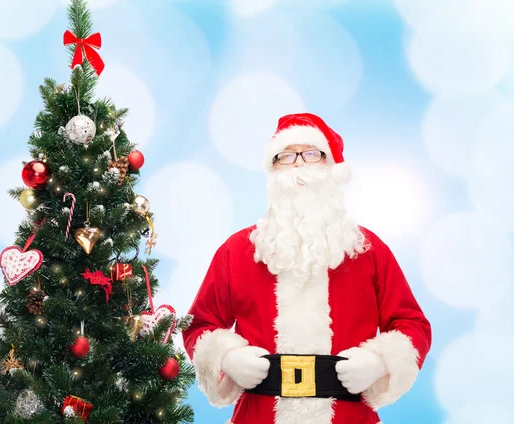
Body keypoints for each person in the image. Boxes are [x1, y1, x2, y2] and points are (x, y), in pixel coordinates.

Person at [182, 113, 432, 424]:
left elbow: (413, 325)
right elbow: (198, 325)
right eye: (285, 156)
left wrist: (378, 361)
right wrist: (228, 358)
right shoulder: (236, 251)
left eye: (312, 154)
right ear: (272, 171)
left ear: (331, 168)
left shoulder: (368, 250)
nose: (299, 164)